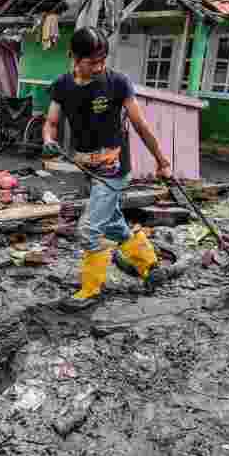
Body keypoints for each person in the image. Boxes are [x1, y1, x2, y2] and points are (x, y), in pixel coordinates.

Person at [42, 27, 172, 305]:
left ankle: (91, 290)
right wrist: (47, 138)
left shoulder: (117, 82)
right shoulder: (62, 86)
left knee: (89, 229)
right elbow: (51, 122)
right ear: (74, 58)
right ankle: (149, 265)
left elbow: (140, 125)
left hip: (114, 169)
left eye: (102, 61)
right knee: (113, 223)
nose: (99, 67)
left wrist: (163, 162)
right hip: (87, 166)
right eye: (92, 62)